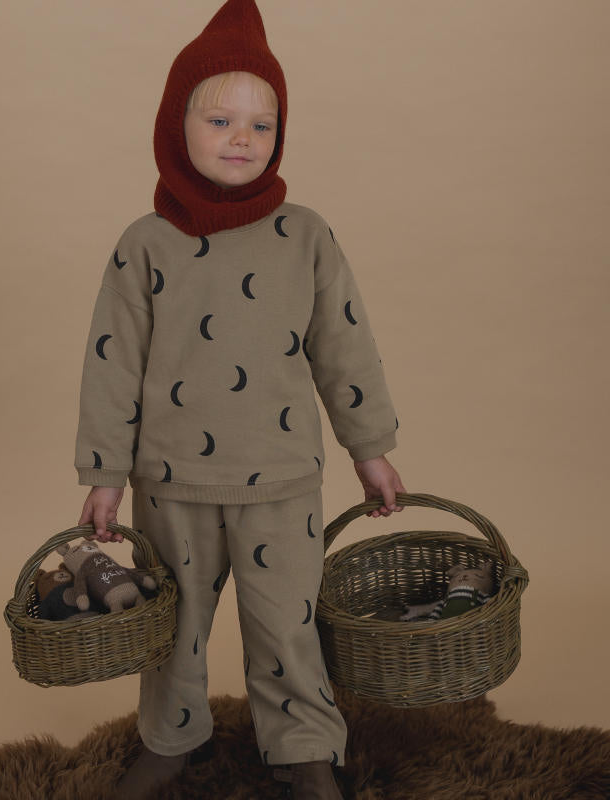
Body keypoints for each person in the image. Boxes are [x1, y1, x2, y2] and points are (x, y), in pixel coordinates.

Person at [74, 1, 405, 797]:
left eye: (261, 125)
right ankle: (170, 739)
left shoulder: (307, 237)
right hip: (171, 479)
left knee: (287, 624)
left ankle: (303, 748)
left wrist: (370, 450)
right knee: (173, 628)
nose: (241, 139)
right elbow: (112, 364)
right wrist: (104, 473)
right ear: (176, 125)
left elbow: (344, 348)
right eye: (220, 120)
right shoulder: (145, 244)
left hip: (282, 478)